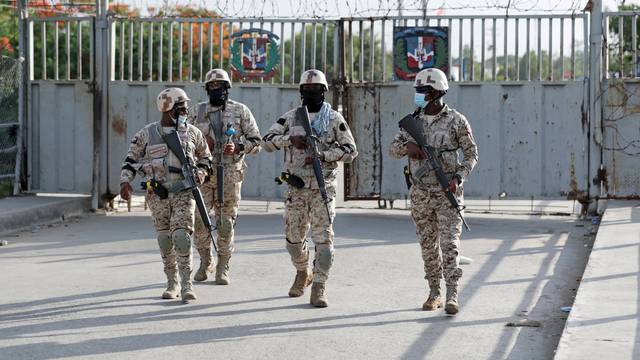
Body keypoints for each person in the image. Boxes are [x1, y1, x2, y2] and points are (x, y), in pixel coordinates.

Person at [261, 69, 358, 307]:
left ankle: (319, 285)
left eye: (316, 90)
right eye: (307, 90)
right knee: (293, 241)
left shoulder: (334, 119)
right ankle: (303, 271)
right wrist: (289, 141)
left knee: (323, 241)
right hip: (296, 188)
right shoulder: (292, 117)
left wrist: (324, 155)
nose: (312, 93)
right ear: (301, 92)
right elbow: (266, 140)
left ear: (324, 92)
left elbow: (351, 151)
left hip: (323, 188)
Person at [389, 68, 478, 315]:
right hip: (420, 193)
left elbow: (472, 154)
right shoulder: (412, 121)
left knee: (449, 244)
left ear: (438, 92)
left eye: (424, 91)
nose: (419, 95)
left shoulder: (457, 121)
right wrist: (410, 147)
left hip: (447, 191)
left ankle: (452, 293)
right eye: (417, 91)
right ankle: (434, 292)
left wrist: (459, 177)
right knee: (428, 246)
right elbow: (393, 149)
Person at [120, 88, 212, 303]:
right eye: (181, 107)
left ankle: (187, 282)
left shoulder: (193, 133)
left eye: (186, 107)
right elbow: (130, 160)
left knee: (181, 235)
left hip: (184, 192)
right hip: (158, 193)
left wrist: (200, 173)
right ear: (168, 109)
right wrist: (125, 181)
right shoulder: (148, 133)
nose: (186, 111)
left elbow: (205, 159)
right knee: (164, 239)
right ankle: (172, 282)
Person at [189, 68, 262, 285]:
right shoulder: (196, 112)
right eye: (211, 86)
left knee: (225, 222)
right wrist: (202, 144)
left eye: (219, 86)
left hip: (230, 175)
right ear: (206, 89)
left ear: (227, 88)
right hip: (204, 174)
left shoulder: (240, 111)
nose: (216, 89)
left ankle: (223, 265)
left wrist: (238, 146)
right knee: (199, 220)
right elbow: (183, 141)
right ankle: (205, 259)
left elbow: (257, 142)